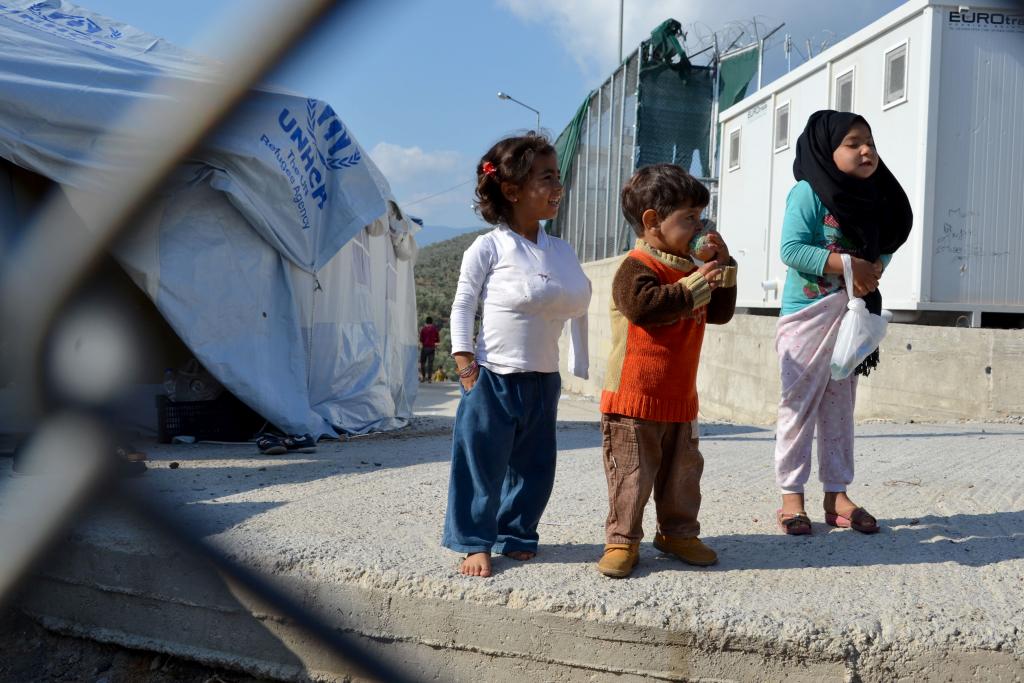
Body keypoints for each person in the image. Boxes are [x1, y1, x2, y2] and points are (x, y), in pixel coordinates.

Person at [442, 132, 591, 578]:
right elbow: (464, 303)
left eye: (558, 177)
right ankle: (474, 541)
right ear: (512, 190)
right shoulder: (489, 247)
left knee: (535, 466)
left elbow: (579, 301)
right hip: (493, 377)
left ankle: (519, 532)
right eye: (547, 178)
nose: (557, 188)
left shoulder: (561, 249)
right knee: (481, 466)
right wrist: (465, 364)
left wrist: (575, 365)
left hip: (543, 379)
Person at [774, 111, 912, 535]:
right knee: (799, 407)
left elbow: (884, 241)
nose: (866, 150)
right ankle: (791, 496)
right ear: (826, 150)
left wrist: (873, 267)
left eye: (869, 142)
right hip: (806, 316)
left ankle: (837, 495)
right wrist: (848, 264)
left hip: (851, 320)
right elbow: (791, 250)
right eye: (853, 143)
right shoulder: (808, 193)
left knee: (840, 409)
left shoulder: (874, 196)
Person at [596, 164, 737, 578]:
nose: (699, 226)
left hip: (679, 399)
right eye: (688, 218)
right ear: (653, 221)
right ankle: (622, 539)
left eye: (701, 216)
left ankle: (677, 532)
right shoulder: (636, 265)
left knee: (683, 475)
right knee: (633, 476)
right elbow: (643, 306)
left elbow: (721, 313)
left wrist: (722, 266)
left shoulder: (688, 268)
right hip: (633, 399)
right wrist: (695, 284)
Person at [419, 317, 440, 382]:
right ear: (432, 322)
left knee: (423, 363)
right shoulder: (434, 329)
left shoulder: (423, 329)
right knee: (430, 364)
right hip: (432, 348)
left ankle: (423, 377)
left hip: (424, 348)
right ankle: (429, 378)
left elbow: (421, 339)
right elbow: (438, 340)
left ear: (426, 322)